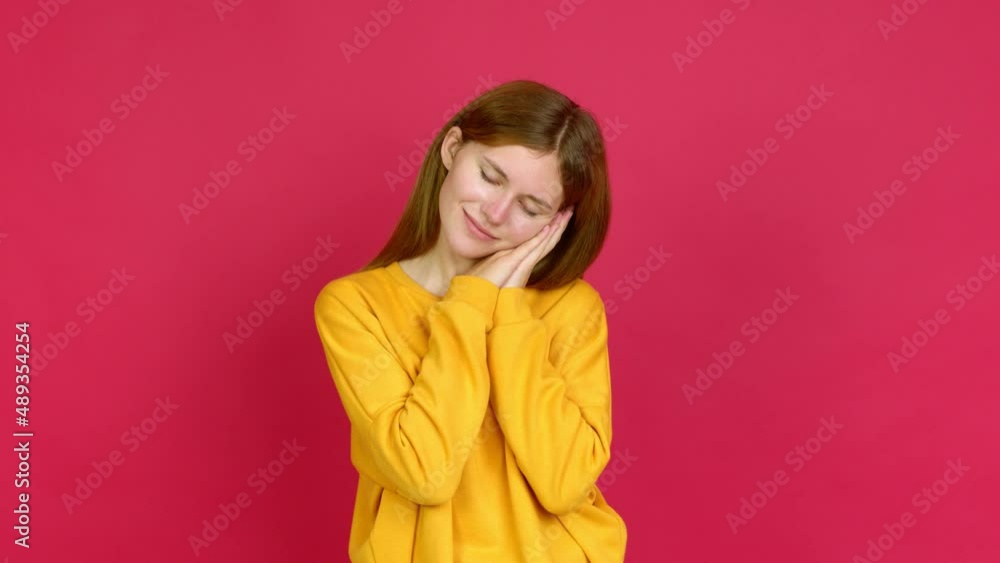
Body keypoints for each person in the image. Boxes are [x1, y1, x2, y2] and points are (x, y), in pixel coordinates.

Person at [313, 79, 626, 562]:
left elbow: (564, 483)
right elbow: (424, 472)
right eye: (490, 176)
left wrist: (509, 317)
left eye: (530, 207)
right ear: (453, 148)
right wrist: (471, 303)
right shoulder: (356, 306)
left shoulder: (571, 307)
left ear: (554, 224)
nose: (495, 213)